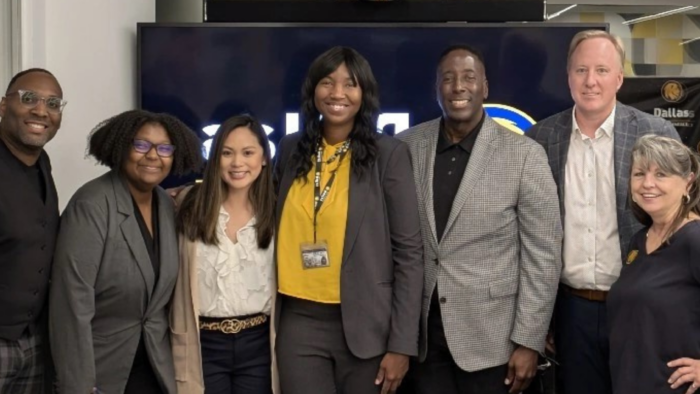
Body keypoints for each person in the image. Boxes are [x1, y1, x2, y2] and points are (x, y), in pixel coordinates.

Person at [396, 44, 562, 394]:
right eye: (449, 78)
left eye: (469, 77)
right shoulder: (407, 146)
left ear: (485, 88)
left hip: (494, 343)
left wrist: (529, 341)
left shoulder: (524, 154)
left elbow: (543, 256)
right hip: (423, 343)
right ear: (436, 88)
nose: (459, 86)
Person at [527, 30, 680, 394]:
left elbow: (682, 224)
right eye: (580, 71)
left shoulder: (655, 132)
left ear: (619, 78)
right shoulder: (540, 139)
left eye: (601, 70)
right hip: (571, 311)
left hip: (641, 306)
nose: (590, 81)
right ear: (568, 78)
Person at [273, 46, 424, 394]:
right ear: (313, 90)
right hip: (299, 323)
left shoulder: (388, 154)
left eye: (350, 84)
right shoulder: (291, 149)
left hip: (367, 326)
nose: (337, 93)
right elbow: (258, 209)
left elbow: (409, 254)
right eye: (327, 82)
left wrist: (402, 344)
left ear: (364, 94)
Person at [49, 109, 203, 393]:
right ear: (121, 147)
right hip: (101, 369)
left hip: (155, 366)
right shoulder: (92, 205)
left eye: (164, 148)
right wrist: (78, 386)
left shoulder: (166, 205)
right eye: (141, 145)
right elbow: (71, 305)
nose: (153, 155)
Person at [170, 114, 277, 394]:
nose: (237, 163)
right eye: (227, 153)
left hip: (259, 344)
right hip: (203, 344)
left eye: (248, 153)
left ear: (264, 158)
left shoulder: (278, 212)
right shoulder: (187, 206)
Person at [607, 135, 700, 394]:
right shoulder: (639, 240)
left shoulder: (694, 239)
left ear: (688, 183)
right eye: (639, 174)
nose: (648, 184)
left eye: (661, 174)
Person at [0, 68, 65, 393]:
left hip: (33, 341)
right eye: (29, 99)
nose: (41, 111)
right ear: (2, 106)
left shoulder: (42, 163)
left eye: (53, 103)